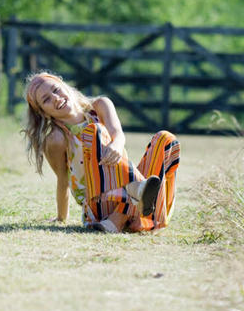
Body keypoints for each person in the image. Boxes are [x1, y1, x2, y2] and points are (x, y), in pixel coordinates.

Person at [22, 72, 180, 232]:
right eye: (46, 100)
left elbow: (118, 133)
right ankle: (131, 198)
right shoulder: (56, 138)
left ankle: (134, 211)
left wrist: (116, 144)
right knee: (94, 131)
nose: (56, 98)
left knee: (166, 139)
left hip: (142, 203)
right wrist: (61, 218)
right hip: (98, 207)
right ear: (43, 112)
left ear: (65, 86)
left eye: (56, 90)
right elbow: (63, 179)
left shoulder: (101, 105)